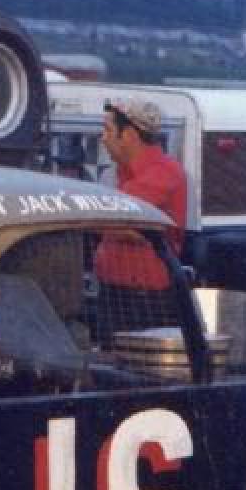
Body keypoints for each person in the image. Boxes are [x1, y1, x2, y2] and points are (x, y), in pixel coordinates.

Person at [93, 98, 189, 338]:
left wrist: (98, 217)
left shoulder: (165, 173)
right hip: (113, 294)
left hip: (146, 301)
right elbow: (107, 219)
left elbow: (113, 216)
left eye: (108, 130)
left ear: (129, 135)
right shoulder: (115, 176)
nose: (102, 138)